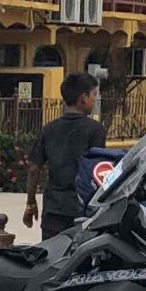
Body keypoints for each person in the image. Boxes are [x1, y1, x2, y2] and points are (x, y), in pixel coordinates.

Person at [31, 72, 105, 237]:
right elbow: (98, 171)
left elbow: (34, 168)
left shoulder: (49, 128)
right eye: (94, 95)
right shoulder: (94, 130)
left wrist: (31, 203)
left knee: (51, 256)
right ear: (84, 97)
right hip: (82, 210)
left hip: (53, 209)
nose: (95, 100)